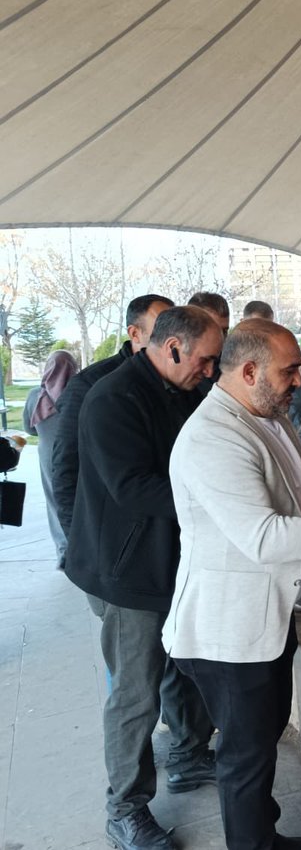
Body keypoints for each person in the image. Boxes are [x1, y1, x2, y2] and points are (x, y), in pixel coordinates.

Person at [164, 319, 301, 850]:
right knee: (244, 757)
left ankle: (264, 836)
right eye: (289, 371)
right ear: (251, 370)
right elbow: (263, 537)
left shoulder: (264, 413)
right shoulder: (213, 435)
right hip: (228, 634)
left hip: (267, 619)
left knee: (260, 743)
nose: (298, 379)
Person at [63, 306, 223, 850]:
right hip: (125, 569)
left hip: (175, 559)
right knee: (136, 691)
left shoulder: (185, 389)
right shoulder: (113, 398)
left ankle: (188, 755)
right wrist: (217, 501)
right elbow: (132, 488)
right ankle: (124, 808)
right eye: (204, 359)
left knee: (184, 670)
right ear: (173, 347)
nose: (211, 370)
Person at [53, 294, 174, 543]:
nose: (172, 340)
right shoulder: (90, 385)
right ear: (135, 333)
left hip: (164, 538)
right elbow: (67, 470)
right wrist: (79, 545)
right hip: (114, 543)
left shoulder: (183, 381)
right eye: (159, 330)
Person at [22, 349, 79, 564]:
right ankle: (80, 548)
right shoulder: (79, 393)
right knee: (77, 498)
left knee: (55, 501)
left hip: (48, 455)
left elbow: (30, 429)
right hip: (76, 453)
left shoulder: (35, 396)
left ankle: (64, 552)